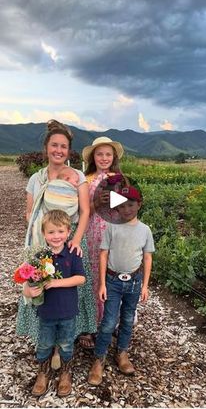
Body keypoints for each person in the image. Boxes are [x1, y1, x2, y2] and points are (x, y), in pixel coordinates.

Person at [16, 119, 96, 356]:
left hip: (70, 240)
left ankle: (70, 337)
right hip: (43, 241)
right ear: (46, 148)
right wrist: (44, 234)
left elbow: (85, 211)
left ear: (68, 150)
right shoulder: (36, 179)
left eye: (63, 146)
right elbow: (29, 214)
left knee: (73, 288)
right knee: (41, 284)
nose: (59, 150)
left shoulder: (77, 176)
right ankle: (44, 337)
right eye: (54, 145)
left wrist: (74, 239)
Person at [88, 186, 155, 386]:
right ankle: (99, 359)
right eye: (122, 206)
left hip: (134, 282)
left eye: (131, 205)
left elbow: (147, 257)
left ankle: (122, 353)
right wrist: (102, 283)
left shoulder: (145, 230)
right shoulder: (112, 227)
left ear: (139, 205)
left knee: (127, 319)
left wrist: (145, 285)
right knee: (108, 322)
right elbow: (103, 254)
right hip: (113, 281)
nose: (127, 209)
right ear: (116, 208)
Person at [31, 210, 86, 397]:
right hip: (46, 311)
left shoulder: (73, 253)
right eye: (51, 232)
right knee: (44, 344)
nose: (56, 236)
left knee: (66, 343)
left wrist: (55, 282)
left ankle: (65, 373)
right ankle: (43, 373)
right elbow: (29, 281)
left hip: (67, 311)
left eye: (60, 231)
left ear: (68, 232)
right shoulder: (39, 255)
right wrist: (30, 290)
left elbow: (80, 279)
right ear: (44, 234)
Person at [80, 137, 124, 348]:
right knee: (91, 277)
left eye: (108, 154)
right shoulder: (85, 179)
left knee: (111, 276)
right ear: (93, 157)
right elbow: (82, 208)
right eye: (100, 154)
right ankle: (89, 324)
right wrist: (96, 202)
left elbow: (127, 207)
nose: (104, 158)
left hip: (112, 232)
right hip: (90, 231)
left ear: (113, 157)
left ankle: (109, 322)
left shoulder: (120, 179)